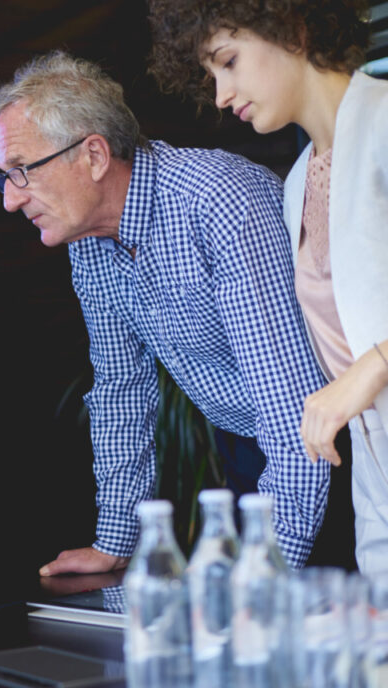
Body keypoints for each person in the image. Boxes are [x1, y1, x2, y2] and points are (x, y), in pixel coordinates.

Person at [0, 52, 327, 575]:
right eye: (3, 177)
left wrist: (263, 569)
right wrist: (116, 541)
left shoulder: (216, 201)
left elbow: (291, 406)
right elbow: (123, 387)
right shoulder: (90, 242)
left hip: (328, 443)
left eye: (21, 171)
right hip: (249, 449)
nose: (11, 200)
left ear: (94, 155)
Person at [147, 0, 388, 573]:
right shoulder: (297, 183)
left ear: (293, 29)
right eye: (210, 75)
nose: (221, 95)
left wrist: (372, 366)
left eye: (228, 62)